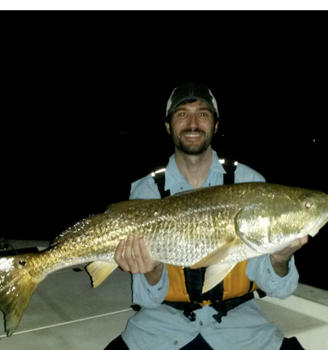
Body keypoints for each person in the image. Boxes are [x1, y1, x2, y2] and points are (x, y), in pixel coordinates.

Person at [104, 82, 307, 349]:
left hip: (241, 328)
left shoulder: (249, 182)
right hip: (161, 327)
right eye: (181, 114)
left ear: (216, 124)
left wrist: (280, 258)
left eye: (202, 114)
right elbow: (149, 299)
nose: (192, 123)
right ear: (168, 126)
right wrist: (151, 269)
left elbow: (280, 290)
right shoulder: (148, 189)